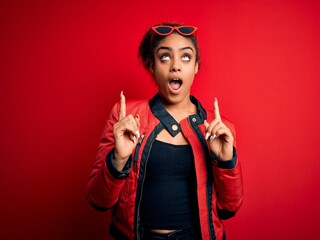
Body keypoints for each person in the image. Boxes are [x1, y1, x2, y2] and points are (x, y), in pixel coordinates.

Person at [86, 23, 243, 240]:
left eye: (186, 57)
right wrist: (119, 158)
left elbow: (229, 208)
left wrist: (224, 160)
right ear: (152, 66)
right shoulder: (126, 118)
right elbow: (98, 200)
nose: (176, 66)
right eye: (165, 57)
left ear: (196, 66)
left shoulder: (219, 128)